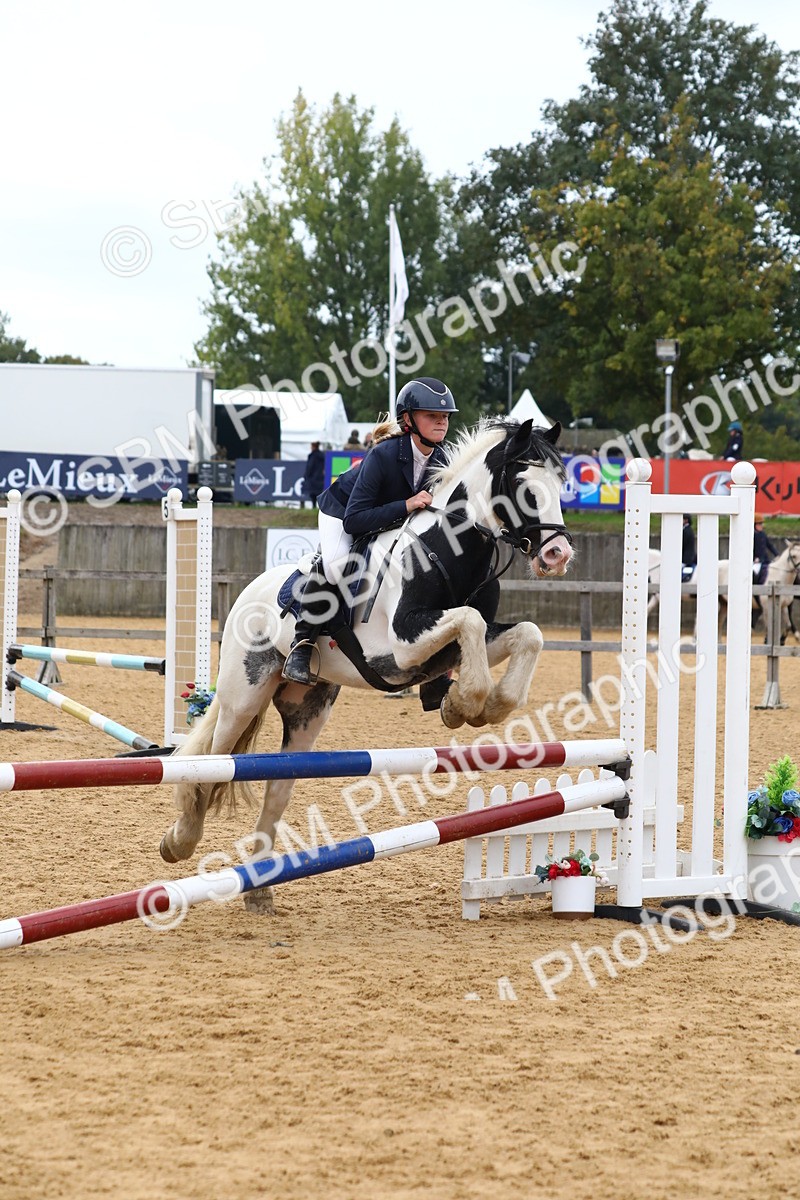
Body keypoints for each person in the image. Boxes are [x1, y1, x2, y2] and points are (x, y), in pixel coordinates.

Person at [282, 377, 456, 684]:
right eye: (432, 415)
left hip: (390, 521)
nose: (441, 422)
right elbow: (355, 520)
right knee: (336, 566)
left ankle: (436, 671)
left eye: (444, 416)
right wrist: (407, 504)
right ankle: (301, 648)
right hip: (342, 512)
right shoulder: (385, 454)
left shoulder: (442, 459)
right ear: (408, 419)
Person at [753, 513, 778, 586]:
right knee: (755, 572)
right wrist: (754, 558)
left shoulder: (763, 534)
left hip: (764, 560)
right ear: (755, 525)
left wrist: (777, 554)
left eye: (761, 523)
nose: (761, 525)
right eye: (759, 524)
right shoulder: (751, 535)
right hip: (755, 561)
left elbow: (770, 545)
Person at [302, 441, 325, 508]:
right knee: (319, 493)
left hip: (313, 477)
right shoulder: (322, 456)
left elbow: (310, 466)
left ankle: (314, 506)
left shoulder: (312, 456)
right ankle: (320, 507)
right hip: (320, 477)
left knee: (313, 493)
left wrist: (306, 475)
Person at [681, 514, 696, 581]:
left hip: (687, 557)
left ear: (686, 520)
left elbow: (683, 544)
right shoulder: (687, 530)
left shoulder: (686, 531)